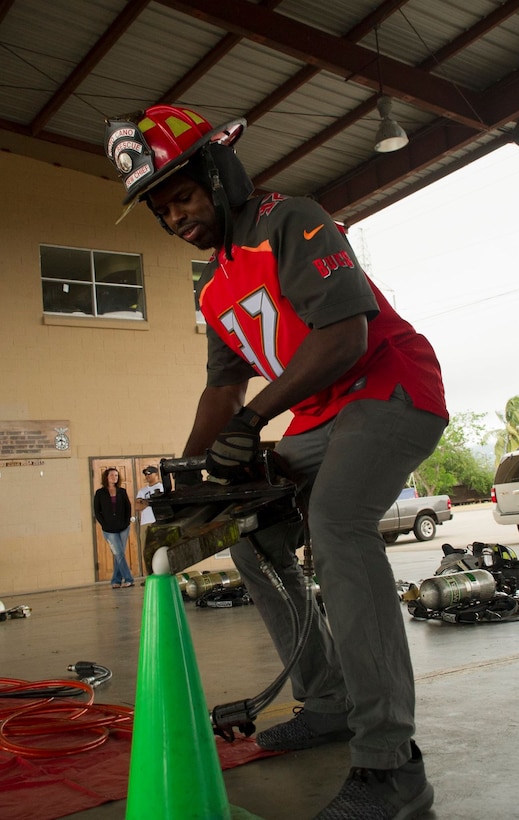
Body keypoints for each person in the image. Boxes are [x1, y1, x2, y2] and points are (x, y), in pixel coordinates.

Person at [105, 105, 449, 819]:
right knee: (252, 533)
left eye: (184, 198)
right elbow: (224, 389)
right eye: (164, 212)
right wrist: (189, 470)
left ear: (219, 174)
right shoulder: (213, 286)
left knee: (336, 523)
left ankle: (392, 763)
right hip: (323, 418)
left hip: (391, 388)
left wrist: (258, 421)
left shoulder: (290, 219)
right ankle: (328, 703)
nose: (177, 219)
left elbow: (346, 339)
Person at [93, 467, 135, 589]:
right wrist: (104, 524)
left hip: (123, 527)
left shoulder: (122, 491)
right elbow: (97, 511)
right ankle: (129, 579)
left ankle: (116, 580)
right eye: (112, 475)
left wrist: (127, 522)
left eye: (116, 475)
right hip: (109, 529)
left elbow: (128, 507)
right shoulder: (100, 493)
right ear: (106, 477)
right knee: (119, 553)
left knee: (119, 554)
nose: (114, 477)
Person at [135, 465, 164, 558]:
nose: (147, 476)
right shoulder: (142, 491)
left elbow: (162, 502)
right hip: (146, 523)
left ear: (156, 474)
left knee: (160, 547)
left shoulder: (162, 488)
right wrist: (151, 501)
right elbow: (137, 506)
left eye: (149, 473)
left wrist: (145, 501)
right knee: (146, 548)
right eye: (146, 474)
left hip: (159, 521)